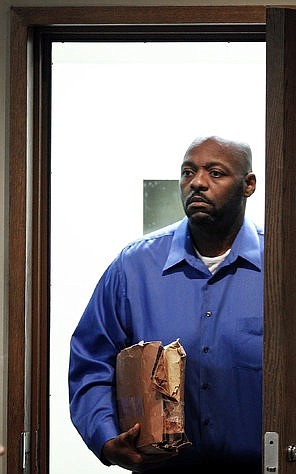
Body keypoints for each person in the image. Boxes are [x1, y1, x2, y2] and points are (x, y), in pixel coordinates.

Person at [69, 136, 263, 473]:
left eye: (216, 173)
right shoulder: (133, 267)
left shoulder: (282, 268)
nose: (198, 183)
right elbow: (91, 362)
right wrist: (105, 436)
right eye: (188, 172)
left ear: (248, 185)